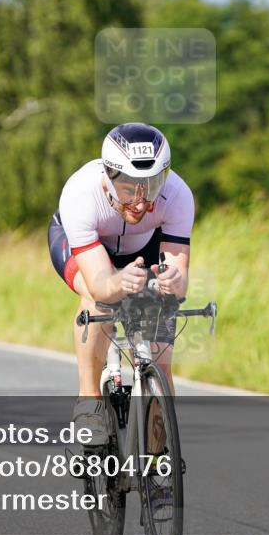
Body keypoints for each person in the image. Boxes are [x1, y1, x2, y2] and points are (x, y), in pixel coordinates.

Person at [48, 122, 193, 444]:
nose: (141, 203)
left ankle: (158, 457)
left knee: (161, 316)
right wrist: (118, 282)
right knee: (98, 299)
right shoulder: (80, 194)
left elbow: (180, 278)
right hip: (85, 246)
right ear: (109, 177)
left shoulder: (179, 195)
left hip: (144, 246)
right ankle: (89, 401)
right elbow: (102, 284)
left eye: (152, 187)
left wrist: (172, 281)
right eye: (129, 189)